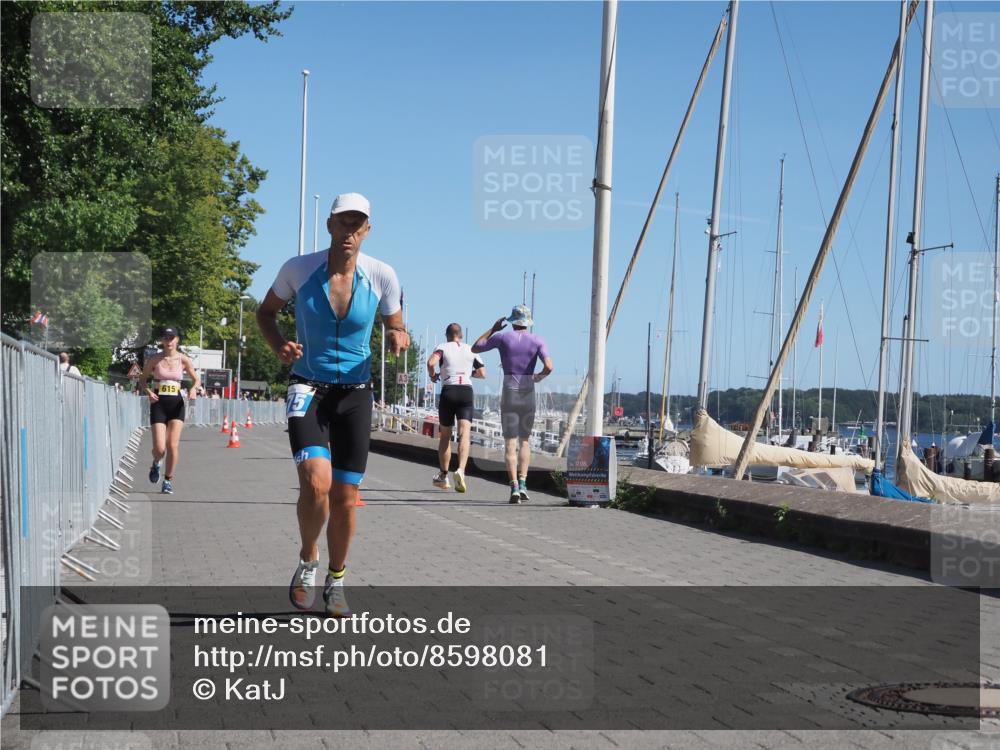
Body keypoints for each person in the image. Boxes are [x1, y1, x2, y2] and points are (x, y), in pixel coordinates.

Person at [257, 192, 408, 617]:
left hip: (356, 394)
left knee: (345, 496)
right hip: (308, 387)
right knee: (316, 482)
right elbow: (265, 313)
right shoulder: (298, 269)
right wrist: (279, 345)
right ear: (329, 225)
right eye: (342, 222)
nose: (349, 232)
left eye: (357, 225)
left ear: (367, 231)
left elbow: (396, 324)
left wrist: (398, 336)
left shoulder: (381, 275)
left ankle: (337, 579)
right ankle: (309, 559)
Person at [472, 305, 553, 503]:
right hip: (528, 393)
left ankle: (514, 487)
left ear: (512, 321)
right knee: (524, 441)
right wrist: (538, 377)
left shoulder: (502, 338)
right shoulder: (538, 341)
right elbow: (549, 366)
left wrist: (493, 329)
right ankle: (524, 483)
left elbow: (475, 347)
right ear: (528, 322)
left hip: (509, 392)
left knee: (510, 443)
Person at [138, 327, 202, 494]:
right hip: (158, 404)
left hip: (176, 405)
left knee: (172, 445)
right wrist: (149, 392)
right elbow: (142, 380)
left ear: (177, 340)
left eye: (171, 337)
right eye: (165, 337)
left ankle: (167, 480)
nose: (168, 341)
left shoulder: (183, 359)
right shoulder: (154, 359)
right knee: (160, 449)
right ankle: (156, 463)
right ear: (162, 340)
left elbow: (197, 379)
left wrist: (194, 389)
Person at [427, 323, 486, 493]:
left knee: (445, 436)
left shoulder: (443, 347)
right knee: (464, 435)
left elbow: (431, 363)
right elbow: (483, 373)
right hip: (466, 392)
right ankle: (461, 470)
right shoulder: (471, 349)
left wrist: (433, 376)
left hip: (449, 391)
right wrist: (468, 373)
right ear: (461, 335)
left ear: (447, 335)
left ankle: (444, 475)